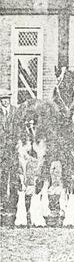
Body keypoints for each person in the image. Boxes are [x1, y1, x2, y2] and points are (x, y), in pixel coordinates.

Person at [0, 88, 18, 218]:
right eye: (3, 100)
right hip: (1, 148)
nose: (5, 102)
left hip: (12, 148)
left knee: (14, 174)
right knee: (2, 174)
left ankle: (13, 200)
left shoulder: (16, 111)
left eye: (7, 99)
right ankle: (2, 200)